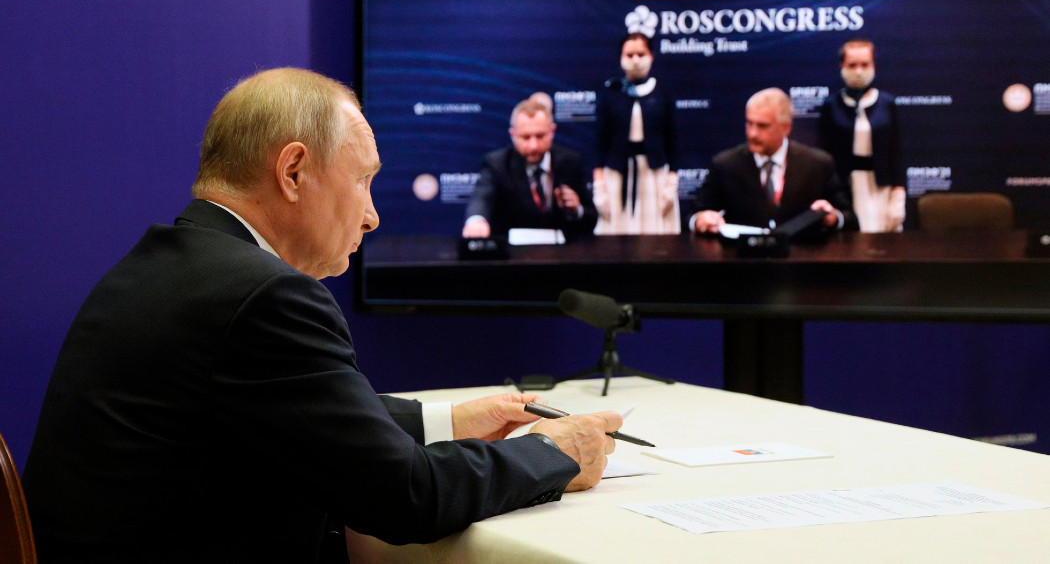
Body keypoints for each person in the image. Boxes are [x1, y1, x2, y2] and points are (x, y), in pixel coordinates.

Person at [23, 68, 621, 563]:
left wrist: (450, 419)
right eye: (362, 181)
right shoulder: (264, 296)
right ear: (293, 172)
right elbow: (406, 498)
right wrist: (552, 450)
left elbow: (290, 411)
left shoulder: (168, 263)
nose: (372, 216)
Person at [691, 87, 858, 234]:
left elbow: (850, 218)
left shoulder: (818, 164)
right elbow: (692, 217)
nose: (752, 133)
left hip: (802, 257)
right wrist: (700, 219)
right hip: (742, 257)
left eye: (762, 126)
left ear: (786, 127)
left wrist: (833, 217)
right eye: (749, 124)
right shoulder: (725, 165)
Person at [462, 97, 597, 239]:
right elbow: (482, 197)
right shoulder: (497, 163)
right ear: (513, 135)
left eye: (540, 136)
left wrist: (577, 210)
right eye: (526, 137)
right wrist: (476, 220)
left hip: (562, 250)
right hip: (513, 250)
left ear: (552, 131)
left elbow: (591, 218)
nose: (534, 146)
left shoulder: (571, 162)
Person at [593, 32, 680, 234]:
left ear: (651, 56)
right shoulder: (610, 93)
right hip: (617, 174)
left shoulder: (663, 93)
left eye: (641, 54)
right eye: (629, 55)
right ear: (621, 57)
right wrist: (599, 184)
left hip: (654, 175)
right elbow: (599, 142)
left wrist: (671, 181)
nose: (635, 60)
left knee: (655, 233)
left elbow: (673, 141)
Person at [819, 38, 906, 231]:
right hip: (845, 189)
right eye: (852, 65)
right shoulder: (831, 105)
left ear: (873, 65)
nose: (859, 71)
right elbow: (824, 155)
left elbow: (896, 152)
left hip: (881, 188)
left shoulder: (887, 103)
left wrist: (898, 194)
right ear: (842, 66)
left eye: (865, 64)